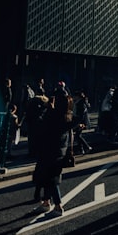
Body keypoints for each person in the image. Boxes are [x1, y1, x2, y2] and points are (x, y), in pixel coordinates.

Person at [31, 84, 74, 217]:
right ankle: (46, 202)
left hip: (50, 150)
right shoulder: (67, 115)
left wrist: (48, 108)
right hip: (60, 151)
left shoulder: (54, 115)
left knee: (50, 178)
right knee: (50, 177)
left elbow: (42, 124)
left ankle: (58, 205)